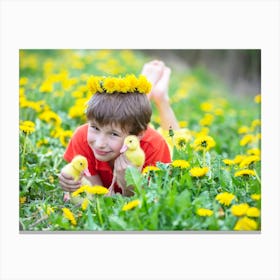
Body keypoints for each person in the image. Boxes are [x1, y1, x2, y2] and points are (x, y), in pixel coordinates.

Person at [58, 60, 179, 196]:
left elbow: (146, 202)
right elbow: (100, 197)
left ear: (138, 135)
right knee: (125, 117)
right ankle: (146, 87)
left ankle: (161, 97)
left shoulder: (154, 147)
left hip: (161, 145)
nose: (99, 144)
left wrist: (128, 185)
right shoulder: (82, 137)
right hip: (128, 128)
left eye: (114, 134)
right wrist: (73, 183)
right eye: (95, 128)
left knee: (178, 142)